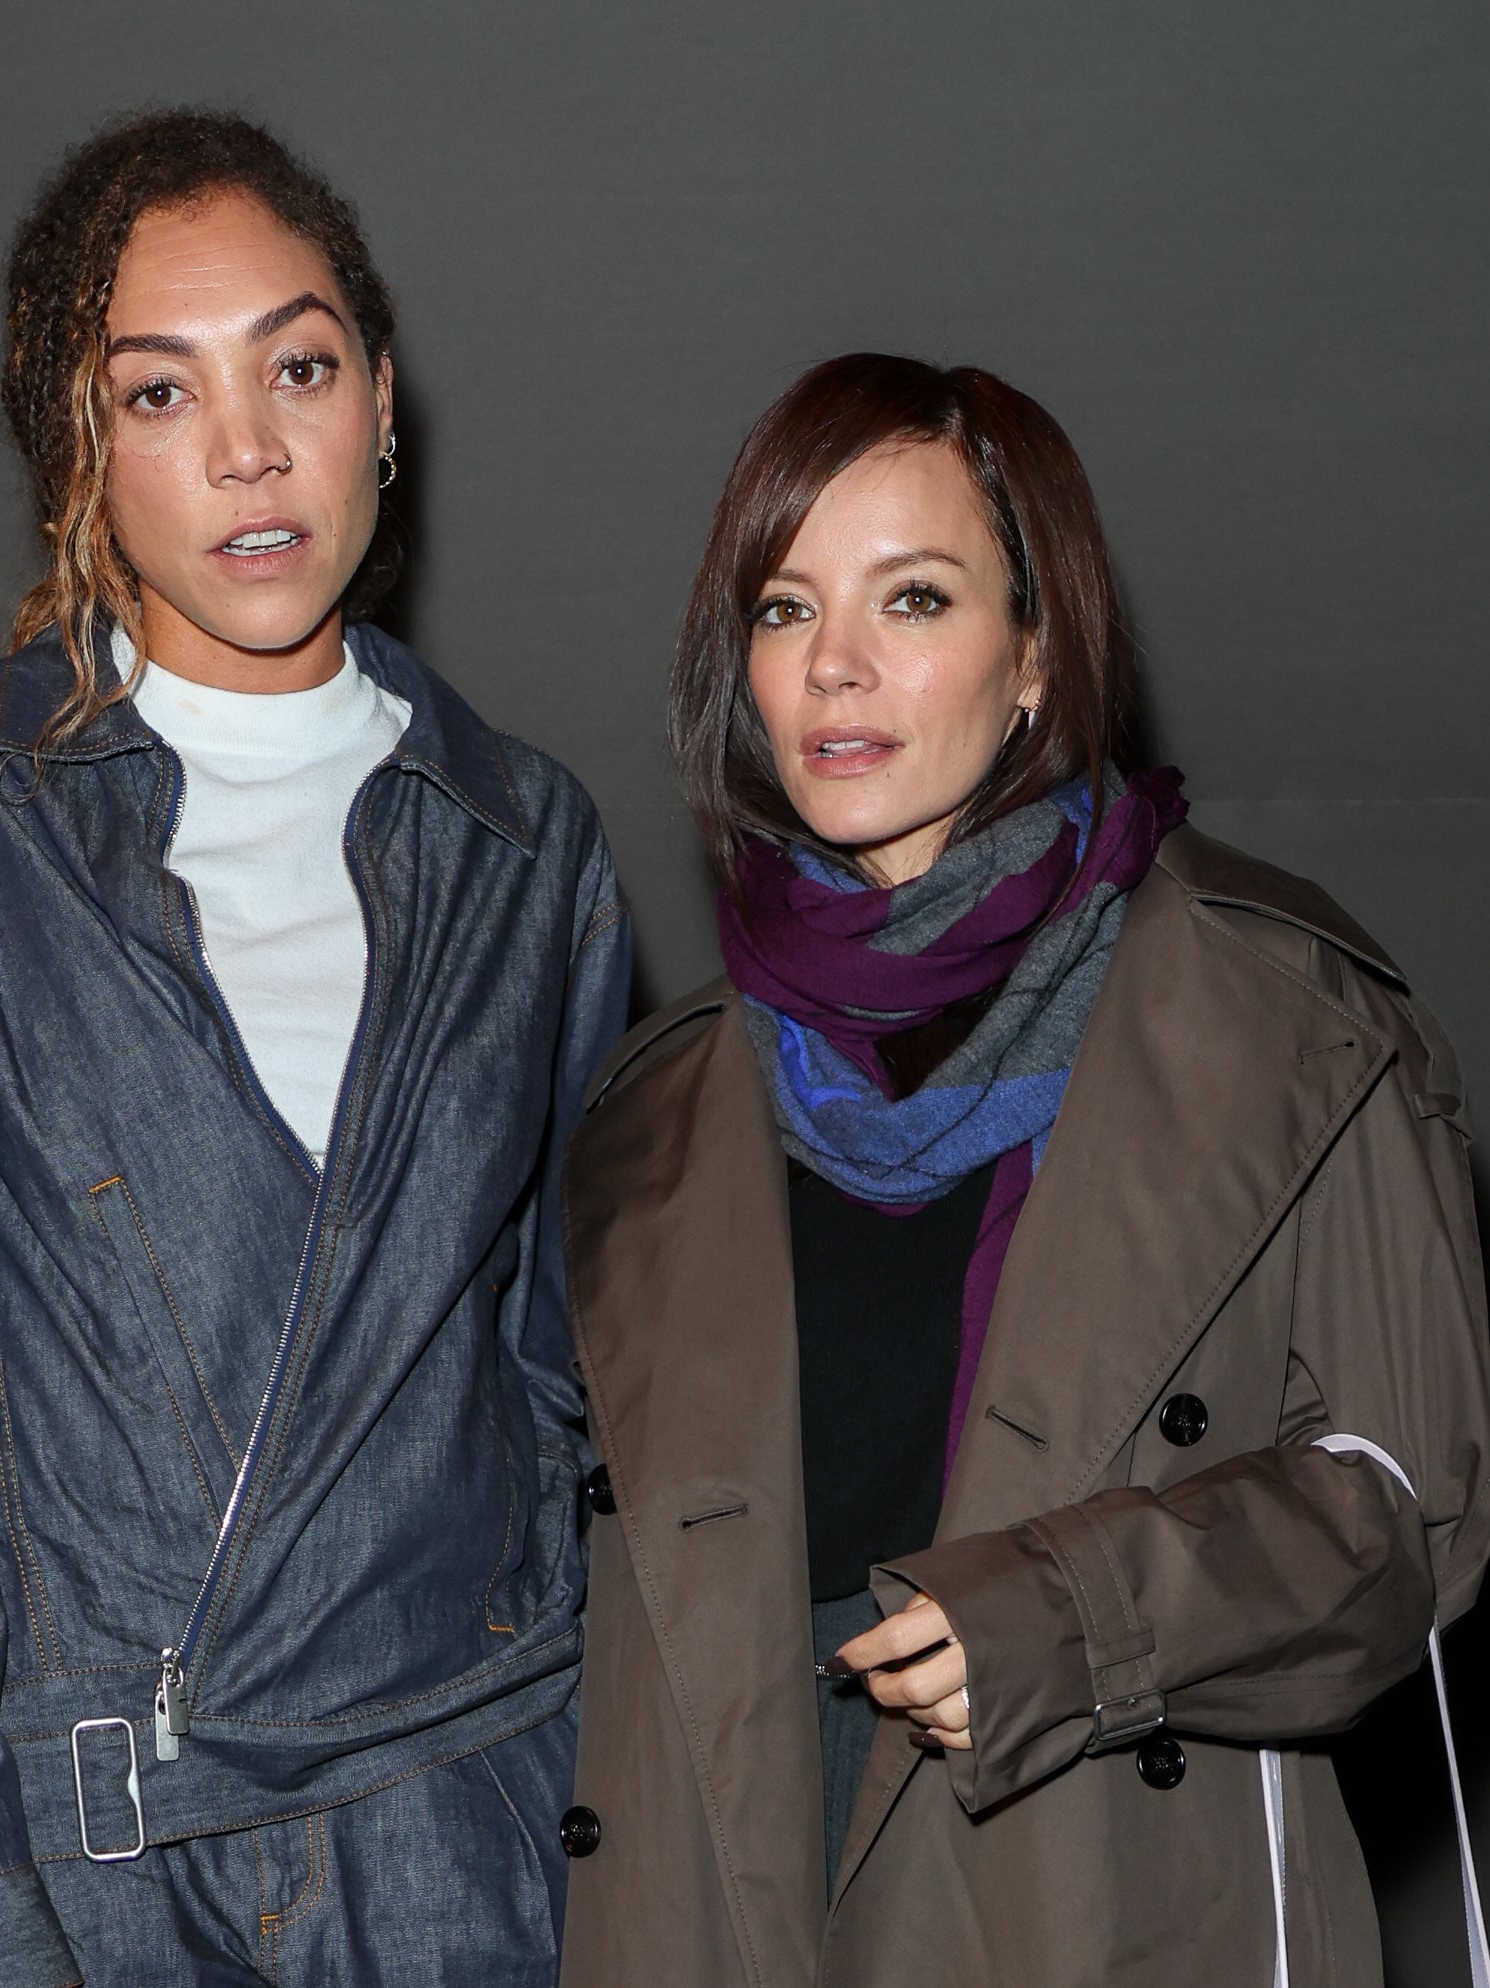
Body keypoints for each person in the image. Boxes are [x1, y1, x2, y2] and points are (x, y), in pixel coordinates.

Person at [0, 110, 629, 1988]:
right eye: (157, 392)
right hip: (87, 1871)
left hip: (471, 1847)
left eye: (298, 365)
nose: (246, 448)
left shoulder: (532, 845)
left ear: (381, 402)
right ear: (80, 450)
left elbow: (560, 1374)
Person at [556, 353, 1489, 1987]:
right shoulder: (651, 1110)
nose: (833, 665)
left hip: (1099, 1883)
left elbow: (1409, 1517)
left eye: (910, 599)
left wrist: (1072, 1618)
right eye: (781, 611)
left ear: (1036, 654)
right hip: (734, 1901)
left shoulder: (1283, 1016)